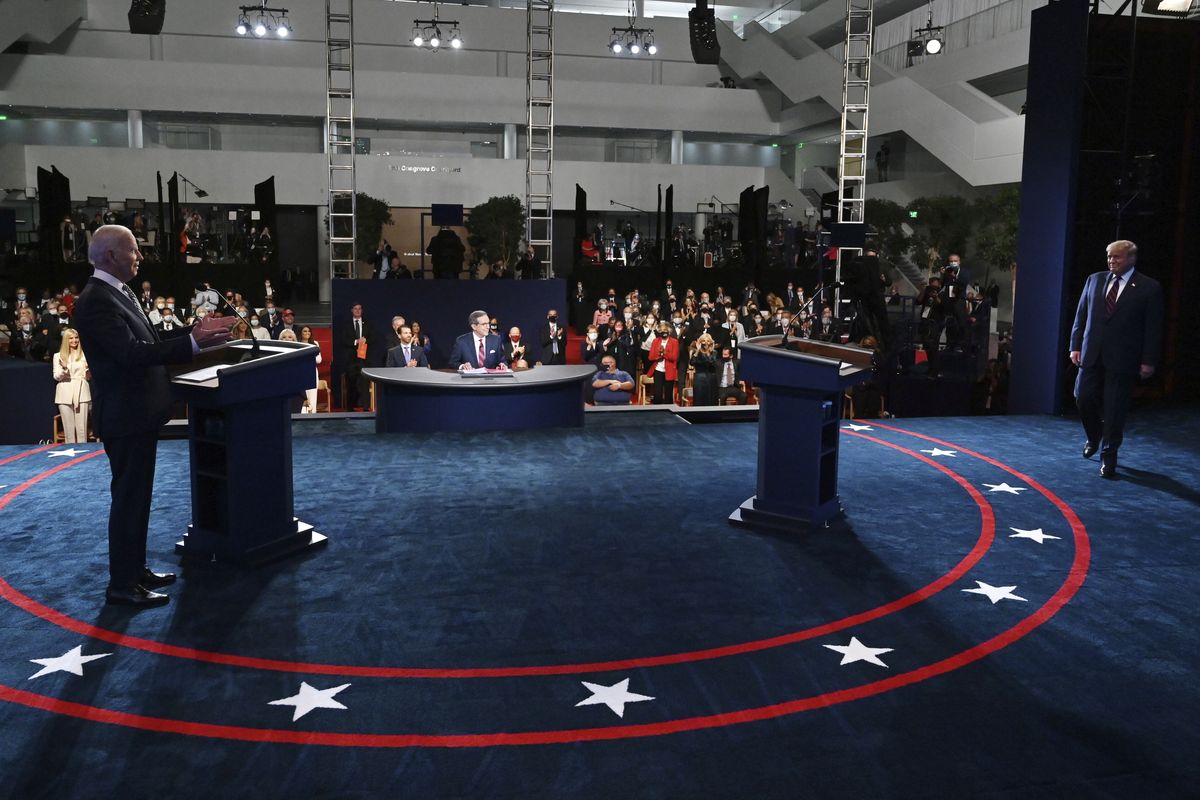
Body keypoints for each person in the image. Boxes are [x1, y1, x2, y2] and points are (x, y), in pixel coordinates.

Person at [72, 225, 234, 607]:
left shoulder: (117, 292)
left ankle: (135, 569)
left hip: (138, 413)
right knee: (129, 498)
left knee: (138, 498)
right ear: (110, 256)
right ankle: (122, 586)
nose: (140, 257)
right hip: (125, 415)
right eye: (133, 250)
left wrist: (192, 334)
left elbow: (148, 341)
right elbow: (131, 354)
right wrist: (192, 344)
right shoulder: (95, 300)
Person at [1069, 239, 1164, 478]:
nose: (1111, 261)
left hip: (1123, 358)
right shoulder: (1094, 280)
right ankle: (1094, 436)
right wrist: (1075, 346)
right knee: (1082, 397)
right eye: (1109, 257)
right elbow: (1081, 317)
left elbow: (1153, 329)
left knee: (1114, 410)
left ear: (1131, 259)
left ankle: (1108, 457)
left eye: (1117, 257)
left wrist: (1148, 360)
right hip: (1091, 353)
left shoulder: (1149, 287)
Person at [53, 328, 91, 442]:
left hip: (81, 392)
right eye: (71, 338)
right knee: (68, 431)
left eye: (76, 337)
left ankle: (83, 456)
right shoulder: (58, 356)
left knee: (82, 430)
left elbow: (88, 377)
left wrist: (89, 369)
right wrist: (64, 368)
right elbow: (56, 376)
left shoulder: (85, 355)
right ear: (66, 340)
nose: (74, 340)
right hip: (65, 393)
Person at [340, 302, 376, 409]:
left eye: (359, 309)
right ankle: (351, 407)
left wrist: (365, 340)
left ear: (362, 310)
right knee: (351, 384)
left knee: (364, 384)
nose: (357, 311)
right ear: (352, 310)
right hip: (350, 360)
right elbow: (343, 340)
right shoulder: (346, 324)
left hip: (364, 360)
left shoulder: (368, 323)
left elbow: (373, 338)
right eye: (355, 309)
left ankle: (365, 407)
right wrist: (356, 342)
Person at [647, 322, 679, 404]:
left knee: (668, 395)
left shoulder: (674, 342)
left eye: (665, 329)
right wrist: (659, 355)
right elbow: (651, 357)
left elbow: (674, 357)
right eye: (661, 330)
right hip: (658, 370)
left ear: (669, 330)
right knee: (657, 394)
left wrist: (664, 353)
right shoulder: (655, 341)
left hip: (670, 371)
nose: (663, 331)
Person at [689, 333, 718, 406]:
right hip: (700, 379)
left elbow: (711, 363)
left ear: (711, 342)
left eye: (708, 341)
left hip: (711, 379)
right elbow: (692, 363)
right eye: (704, 341)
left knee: (710, 400)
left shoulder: (714, 353)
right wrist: (698, 350)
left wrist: (708, 352)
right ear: (700, 342)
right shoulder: (696, 352)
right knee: (699, 399)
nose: (706, 343)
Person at [299, 325, 323, 412]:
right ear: (301, 333)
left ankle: (312, 414)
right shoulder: (297, 343)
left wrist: (307, 356)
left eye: (308, 331)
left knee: (312, 396)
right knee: (302, 396)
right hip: (300, 372)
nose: (307, 333)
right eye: (305, 331)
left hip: (312, 372)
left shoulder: (315, 343)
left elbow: (319, 360)